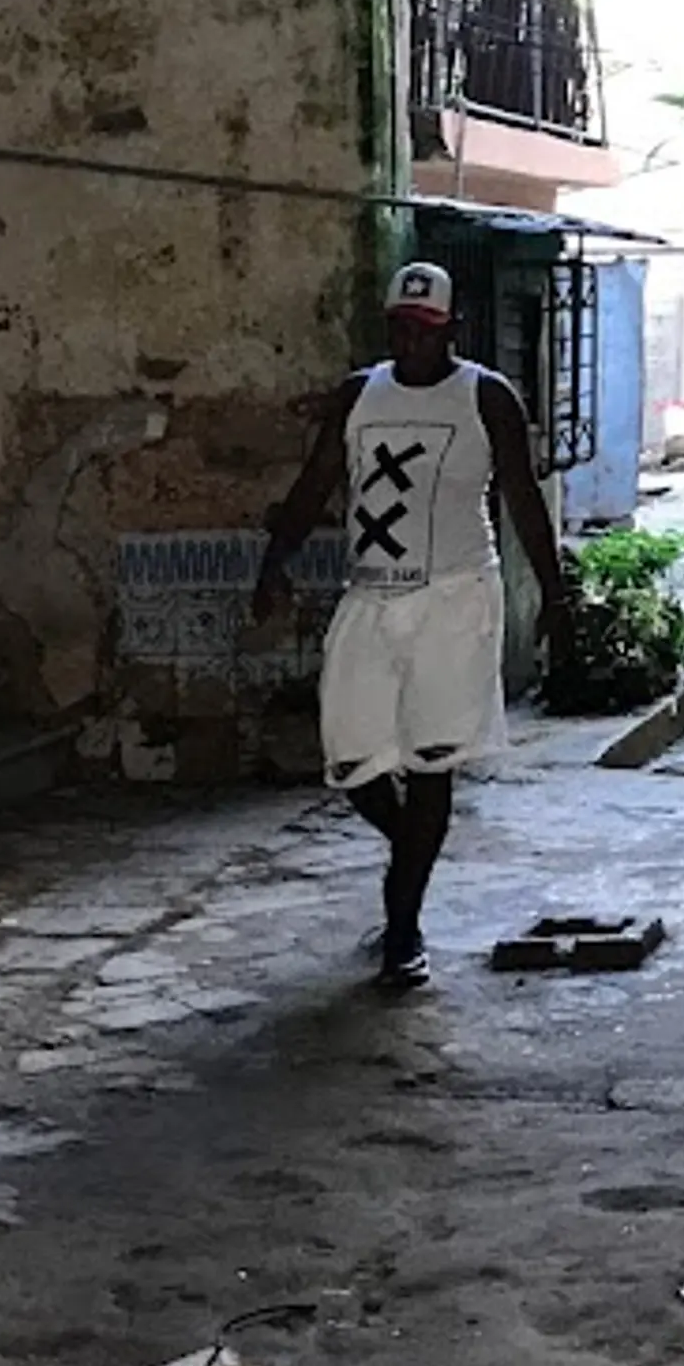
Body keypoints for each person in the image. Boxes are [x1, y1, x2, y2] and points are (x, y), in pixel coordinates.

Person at [253, 260, 569, 990]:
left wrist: (555, 599)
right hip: (371, 596)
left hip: (456, 598)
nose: (412, 341)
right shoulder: (361, 395)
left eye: (426, 330)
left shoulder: (485, 397)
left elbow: (523, 499)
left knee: (431, 762)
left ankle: (403, 927)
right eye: (400, 327)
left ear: (451, 328)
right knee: (351, 757)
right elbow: (316, 481)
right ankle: (414, 851)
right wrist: (275, 561)